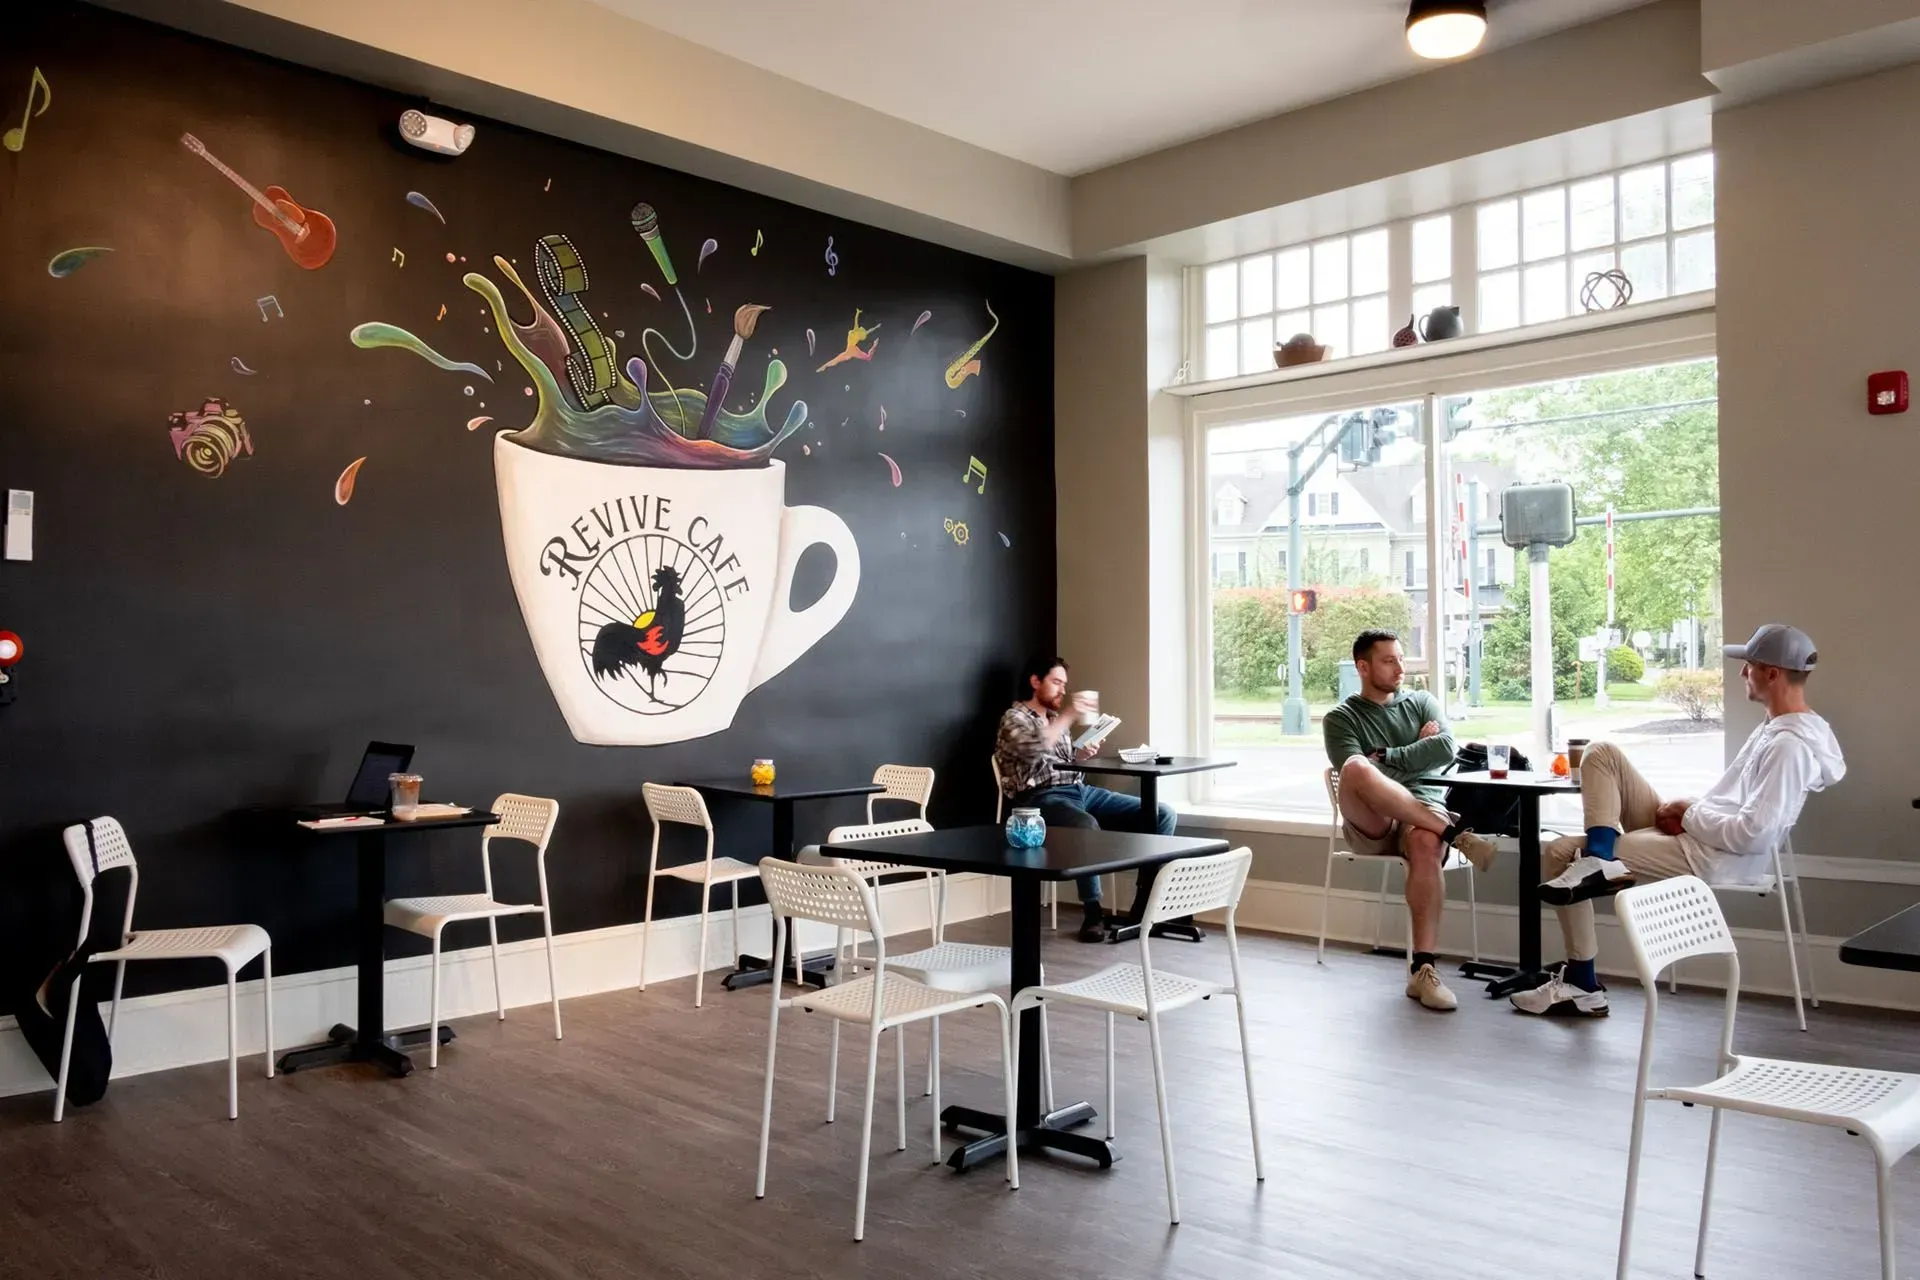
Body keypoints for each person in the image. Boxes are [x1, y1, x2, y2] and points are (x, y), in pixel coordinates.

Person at [1513, 623, 1847, 1017]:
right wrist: (1687, 808)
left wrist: (1688, 814)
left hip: (1708, 855)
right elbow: (1734, 805)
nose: (1742, 672)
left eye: (1749, 665)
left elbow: (1753, 835)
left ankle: (1583, 986)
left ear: (1772, 673)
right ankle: (1601, 860)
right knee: (1601, 752)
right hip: (1696, 833)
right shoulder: (1774, 728)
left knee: (1559, 852)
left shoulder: (1790, 748)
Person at [1323, 630, 1498, 1012]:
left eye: (1401, 659)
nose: (1400, 668)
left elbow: (1446, 747)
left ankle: (1423, 970)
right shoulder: (1341, 718)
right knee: (1356, 768)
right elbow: (1359, 773)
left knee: (1424, 842)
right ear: (1363, 667)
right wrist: (1417, 751)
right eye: (1389, 661)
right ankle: (1455, 834)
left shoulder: (1421, 702)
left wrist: (1388, 755)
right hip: (1373, 820)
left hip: (1424, 811)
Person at [995, 655, 1177, 942]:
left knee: (1162, 814)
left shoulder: (1053, 719)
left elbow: (1062, 760)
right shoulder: (1014, 718)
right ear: (1035, 681)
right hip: (1040, 798)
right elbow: (1033, 750)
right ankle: (1093, 912)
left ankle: (1143, 907)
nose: (1063, 690)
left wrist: (1080, 754)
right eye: (1057, 682)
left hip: (1080, 790)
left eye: (1064, 684)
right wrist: (1069, 715)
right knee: (1084, 825)